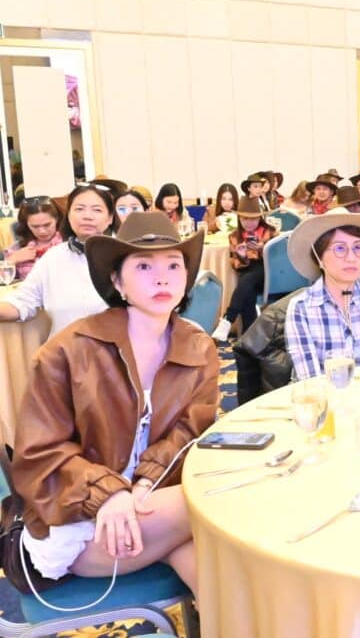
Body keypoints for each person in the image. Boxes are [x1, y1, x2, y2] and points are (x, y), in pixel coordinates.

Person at [13, 211, 216, 599]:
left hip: (152, 503)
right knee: (220, 498)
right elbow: (40, 454)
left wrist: (143, 484)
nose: (162, 278)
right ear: (117, 282)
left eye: (174, 265)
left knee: (218, 578)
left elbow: (190, 433)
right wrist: (110, 494)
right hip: (78, 517)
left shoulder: (198, 347)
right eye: (144, 266)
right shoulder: (69, 350)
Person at [285, 212, 360, 378]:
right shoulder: (301, 308)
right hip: (320, 392)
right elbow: (310, 379)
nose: (351, 258)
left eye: (358, 248)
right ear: (319, 259)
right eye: (340, 248)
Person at [0, 183, 115, 338]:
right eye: (79, 209)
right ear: (68, 215)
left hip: (115, 347)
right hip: (64, 347)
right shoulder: (53, 258)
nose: (87, 216)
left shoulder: (123, 256)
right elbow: (23, 302)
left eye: (97, 210)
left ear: (110, 218)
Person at [212, 196, 279, 341]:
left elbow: (277, 259)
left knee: (248, 279)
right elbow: (235, 264)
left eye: (253, 219)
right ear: (239, 218)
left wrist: (262, 250)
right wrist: (242, 256)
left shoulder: (270, 232)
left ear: (260, 218)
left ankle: (228, 319)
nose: (249, 223)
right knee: (247, 290)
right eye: (245, 219)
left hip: (267, 273)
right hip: (248, 274)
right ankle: (250, 340)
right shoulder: (234, 236)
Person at [4, 196, 64, 279]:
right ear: (26, 224)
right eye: (35, 226)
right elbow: (4, 281)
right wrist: (12, 260)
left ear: (57, 219)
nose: (42, 231)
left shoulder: (69, 243)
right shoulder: (18, 248)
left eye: (47, 225)